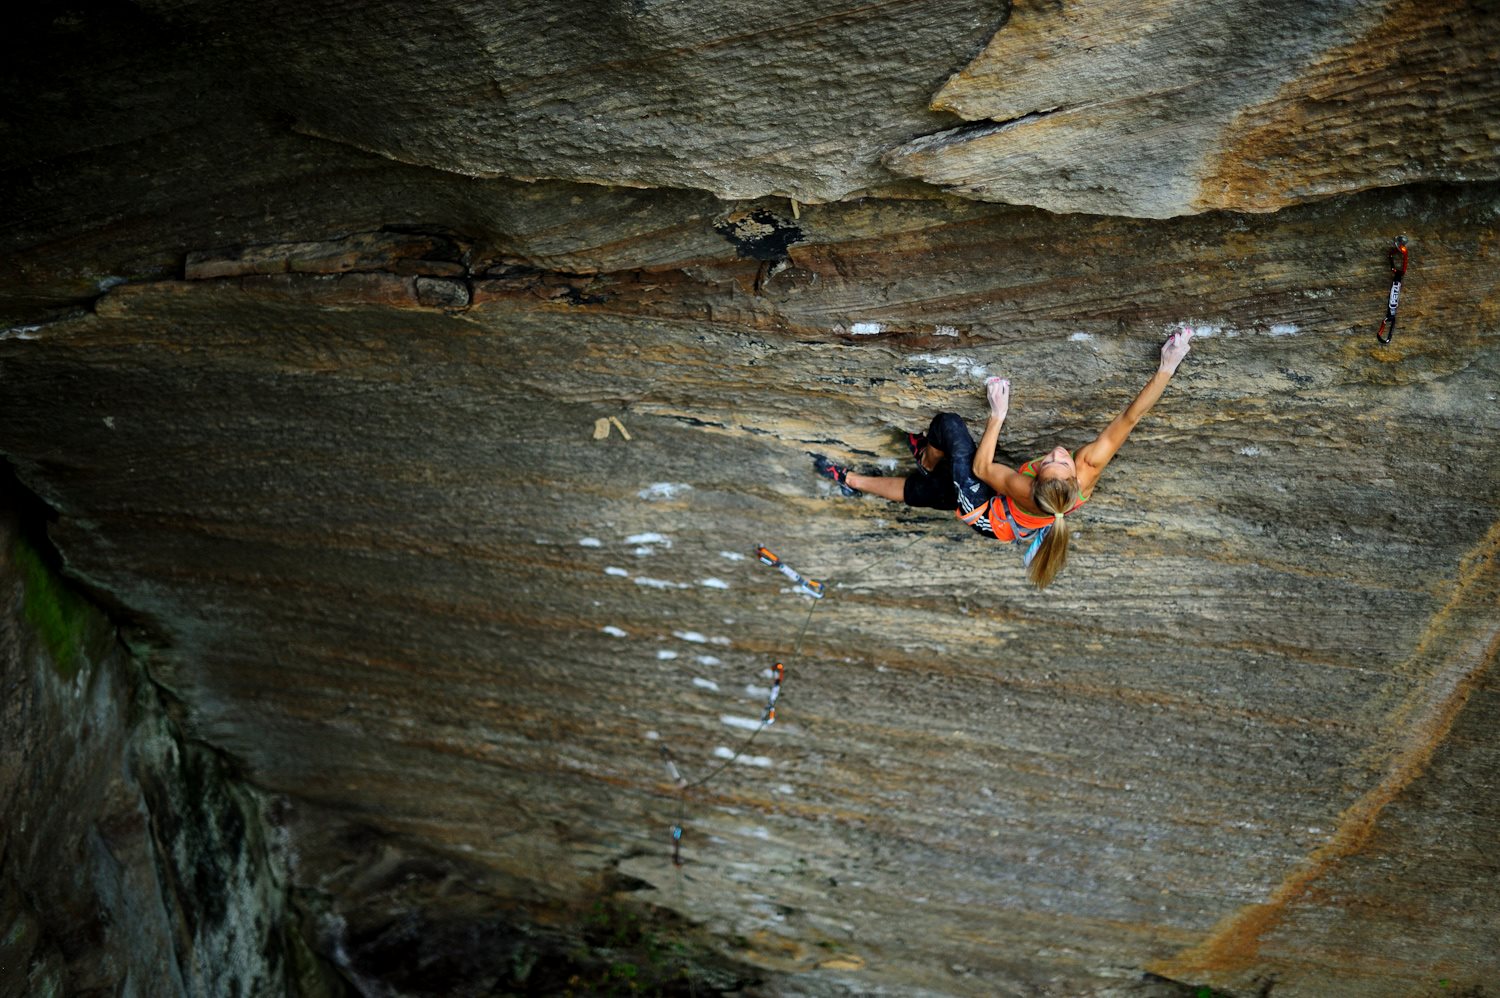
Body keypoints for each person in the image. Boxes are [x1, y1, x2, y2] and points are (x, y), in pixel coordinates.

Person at [815, 327, 1195, 589]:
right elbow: (1130, 418)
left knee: (950, 432)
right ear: (1076, 479)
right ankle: (856, 481)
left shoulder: (1025, 489)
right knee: (939, 494)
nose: (1057, 453)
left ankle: (920, 463)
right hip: (1008, 512)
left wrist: (997, 415)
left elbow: (981, 469)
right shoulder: (1089, 467)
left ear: (1034, 481)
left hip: (986, 513)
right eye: (1059, 459)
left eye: (1050, 462)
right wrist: (1167, 366)